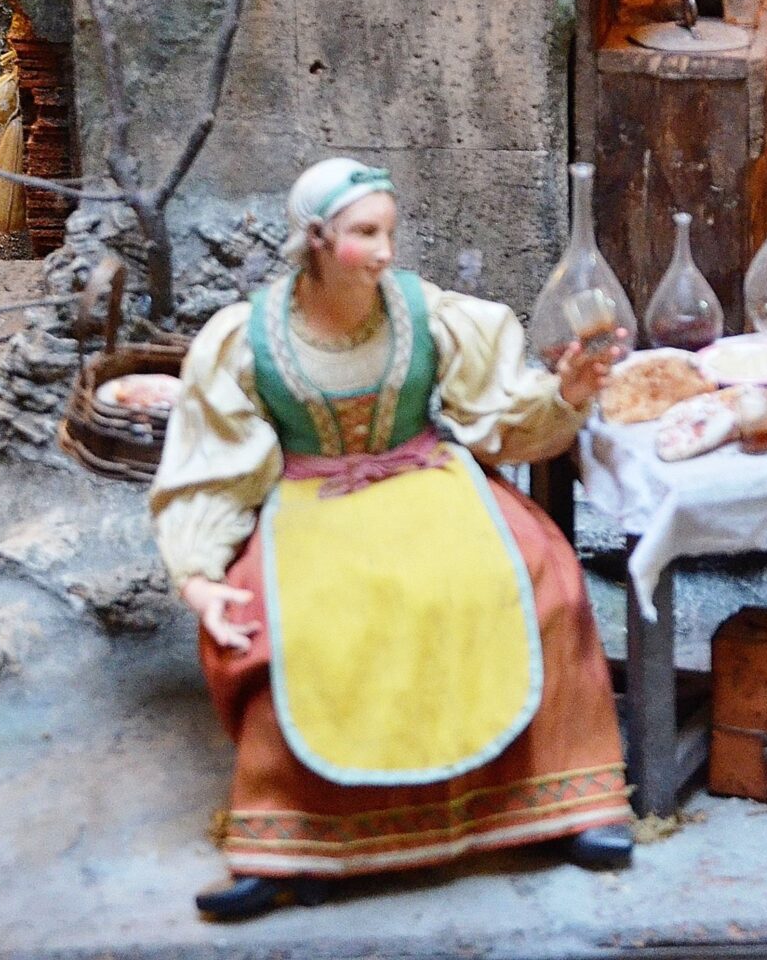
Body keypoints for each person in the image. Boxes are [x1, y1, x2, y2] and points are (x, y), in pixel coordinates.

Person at [151, 159, 633, 921]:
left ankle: (565, 801)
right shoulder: (249, 337)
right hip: (312, 499)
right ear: (315, 239)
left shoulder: (427, 314)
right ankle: (292, 838)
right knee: (286, 624)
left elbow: (499, 419)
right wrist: (200, 575)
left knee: (536, 580)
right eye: (365, 233)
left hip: (427, 477)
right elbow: (212, 464)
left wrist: (565, 394)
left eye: (389, 231)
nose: (384, 250)